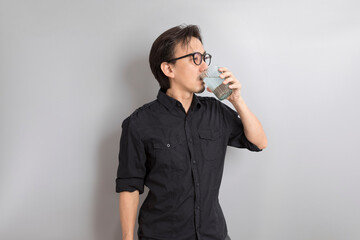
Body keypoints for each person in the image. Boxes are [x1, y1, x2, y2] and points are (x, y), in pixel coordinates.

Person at [115, 24, 267, 240]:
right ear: (169, 69)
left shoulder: (216, 111)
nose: (204, 66)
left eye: (204, 57)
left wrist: (237, 100)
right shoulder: (139, 123)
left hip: (213, 234)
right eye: (195, 58)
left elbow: (259, 142)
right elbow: (129, 187)